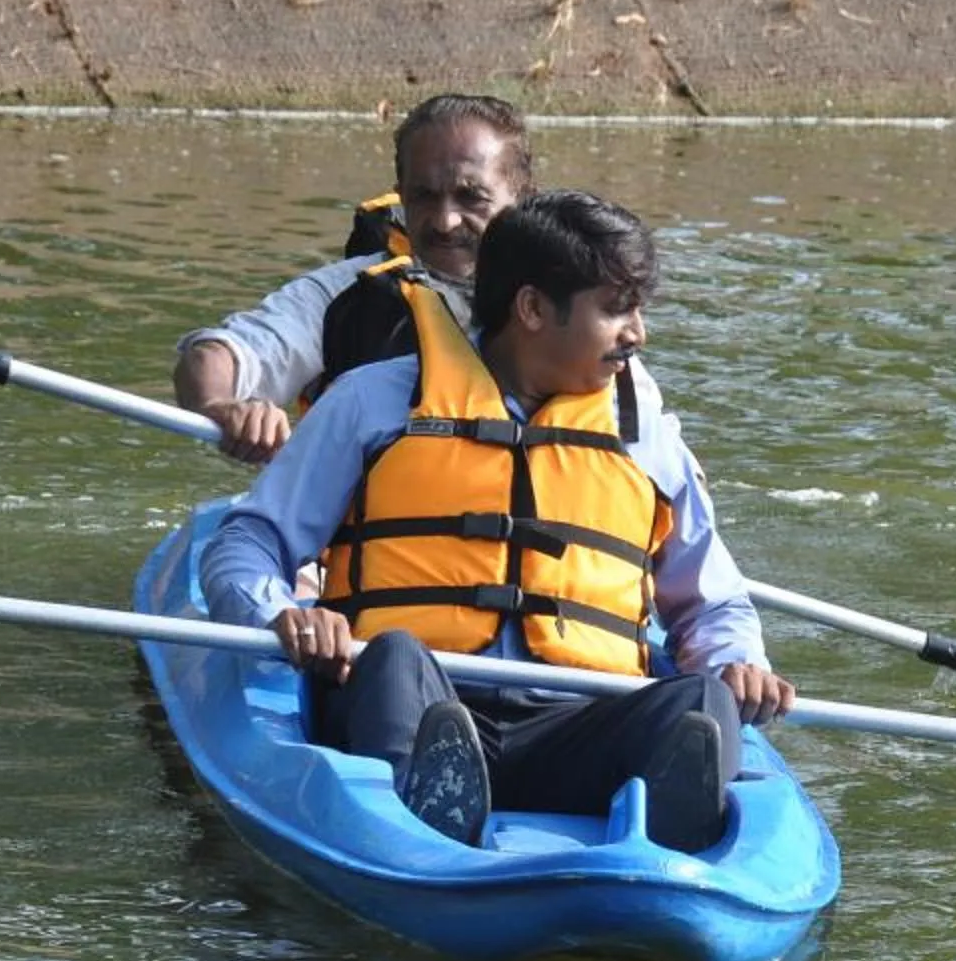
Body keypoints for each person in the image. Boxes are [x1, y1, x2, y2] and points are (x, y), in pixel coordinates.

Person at [200, 190, 793, 855]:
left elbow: (712, 604)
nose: (638, 334)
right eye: (616, 309)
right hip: (422, 702)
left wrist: (739, 662)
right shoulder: (372, 403)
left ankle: (670, 870)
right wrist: (279, 614)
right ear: (534, 308)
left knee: (702, 703)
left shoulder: (646, 437)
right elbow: (247, 544)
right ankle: (426, 830)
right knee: (395, 656)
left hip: (579, 723)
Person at [173, 93, 533, 464]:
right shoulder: (350, 295)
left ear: (523, 197)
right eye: (423, 196)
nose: (445, 221)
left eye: (470, 197)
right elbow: (221, 354)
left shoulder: (570, 294)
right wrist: (220, 405)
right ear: (401, 194)